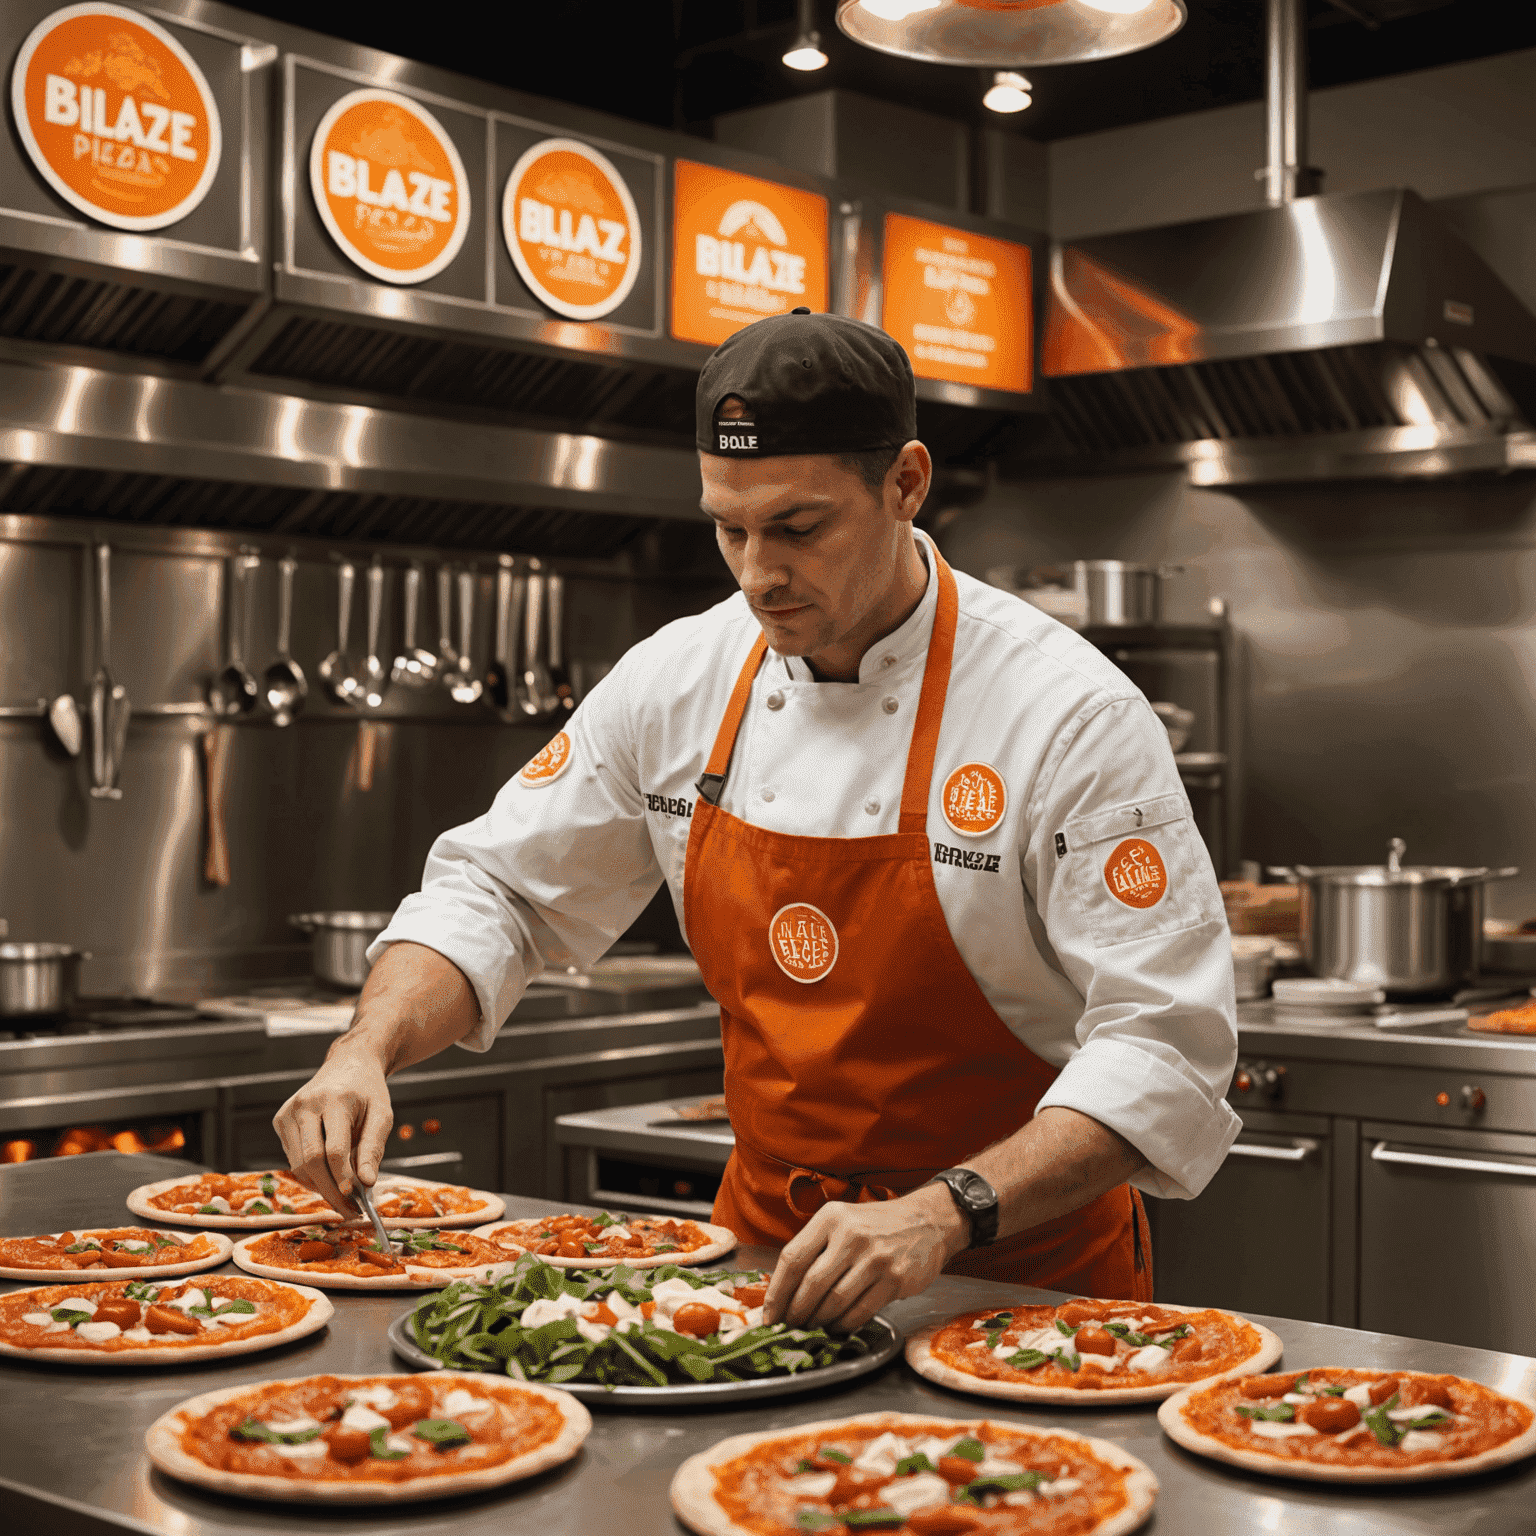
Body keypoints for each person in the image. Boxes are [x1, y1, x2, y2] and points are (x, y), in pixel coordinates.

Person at [275, 308, 1239, 1334]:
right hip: (762, 1271)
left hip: (1023, 1280)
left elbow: (1165, 1045)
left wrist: (944, 1213)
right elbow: (500, 890)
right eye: (728, 528)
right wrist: (364, 1048)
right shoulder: (678, 677)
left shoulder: (1064, 710)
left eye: (798, 527)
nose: (756, 573)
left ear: (906, 483)